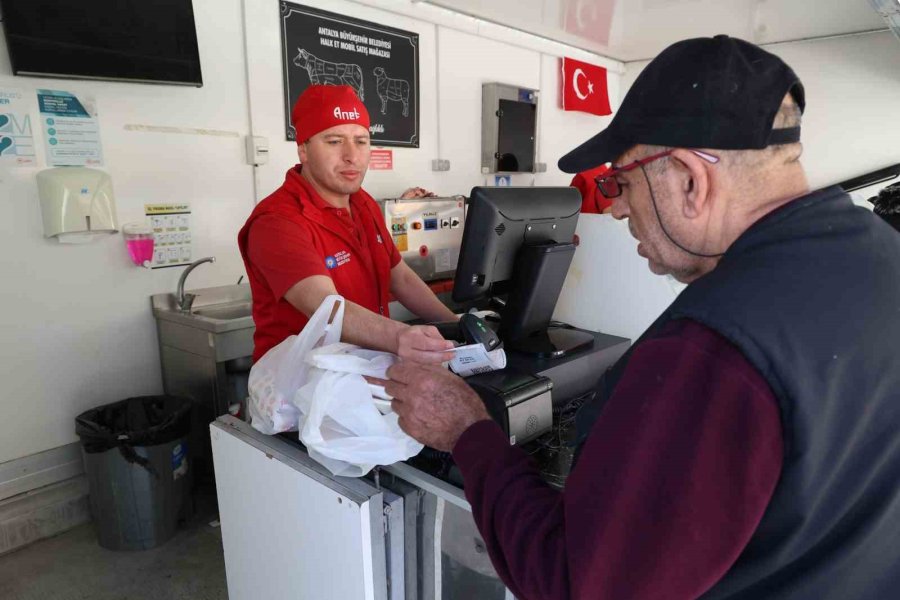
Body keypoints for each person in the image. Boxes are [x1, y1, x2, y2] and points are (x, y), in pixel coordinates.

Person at [383, 35, 900, 599]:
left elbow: (577, 582)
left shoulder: (713, 351)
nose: (617, 207)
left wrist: (467, 431)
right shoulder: (882, 254)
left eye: (620, 182)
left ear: (689, 180)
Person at [238, 85, 457, 364]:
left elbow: (398, 276)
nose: (351, 155)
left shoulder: (362, 202)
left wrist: (456, 326)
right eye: (334, 141)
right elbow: (327, 309)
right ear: (303, 150)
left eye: (361, 141)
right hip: (301, 387)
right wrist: (401, 336)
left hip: (364, 371)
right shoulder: (277, 222)